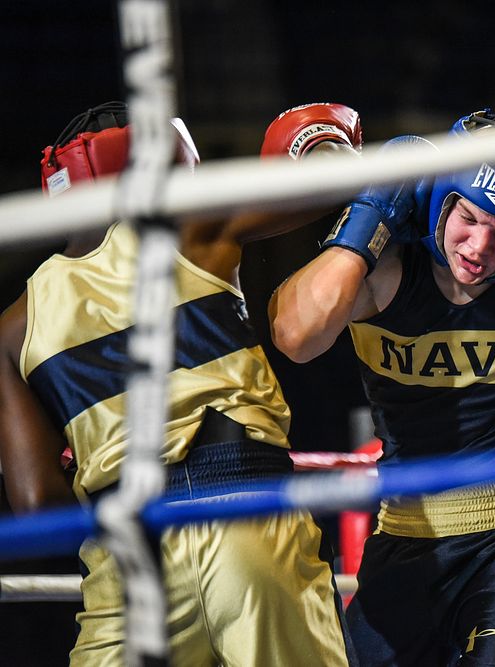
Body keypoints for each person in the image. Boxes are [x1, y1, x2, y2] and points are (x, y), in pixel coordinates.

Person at [0, 100, 363, 665]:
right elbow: (328, 177)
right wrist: (329, 133)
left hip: (127, 562)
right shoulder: (185, 229)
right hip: (244, 514)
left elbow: (36, 505)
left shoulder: (14, 326)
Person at [269, 109, 495, 665]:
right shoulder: (389, 262)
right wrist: (367, 218)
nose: (480, 246)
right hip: (404, 535)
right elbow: (295, 336)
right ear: (444, 196)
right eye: (470, 217)